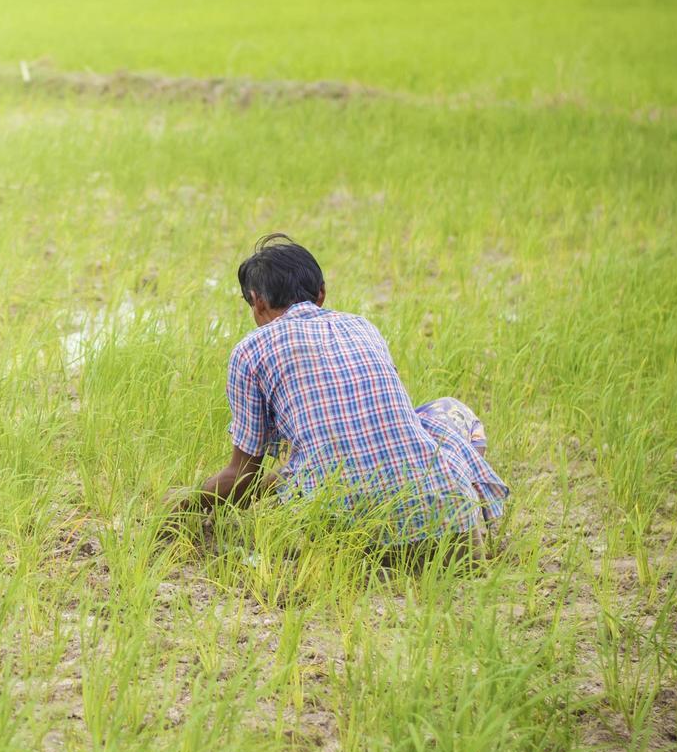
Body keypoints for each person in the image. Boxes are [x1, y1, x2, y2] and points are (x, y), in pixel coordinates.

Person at [186, 233, 508, 554]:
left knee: (317, 461)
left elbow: (243, 473)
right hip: (446, 527)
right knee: (449, 411)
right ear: (321, 293)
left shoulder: (250, 351)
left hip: (342, 540)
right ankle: (464, 506)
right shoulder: (362, 326)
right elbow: (388, 427)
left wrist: (188, 501)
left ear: (257, 302)